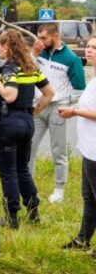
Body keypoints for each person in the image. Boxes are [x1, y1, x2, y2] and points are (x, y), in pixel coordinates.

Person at [0, 30, 54, 228]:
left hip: (9, 122)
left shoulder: (9, 68)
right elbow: (49, 93)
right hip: (27, 121)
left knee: (8, 172)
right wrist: (33, 113)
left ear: (7, 48)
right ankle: (33, 211)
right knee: (22, 169)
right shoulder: (30, 66)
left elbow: (10, 95)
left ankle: (12, 217)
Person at [28, 22, 87, 203]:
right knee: (28, 147)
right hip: (38, 106)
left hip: (58, 108)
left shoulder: (71, 58)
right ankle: (27, 185)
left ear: (57, 36)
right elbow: (24, 69)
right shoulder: (39, 53)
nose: (41, 41)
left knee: (58, 150)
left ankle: (59, 189)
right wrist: (33, 54)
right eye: (39, 37)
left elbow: (79, 89)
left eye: (44, 38)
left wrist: (65, 103)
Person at [58, 34, 96, 259]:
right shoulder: (93, 78)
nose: (89, 50)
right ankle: (83, 239)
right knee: (89, 197)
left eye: (94, 48)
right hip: (88, 149)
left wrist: (75, 112)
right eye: (88, 46)